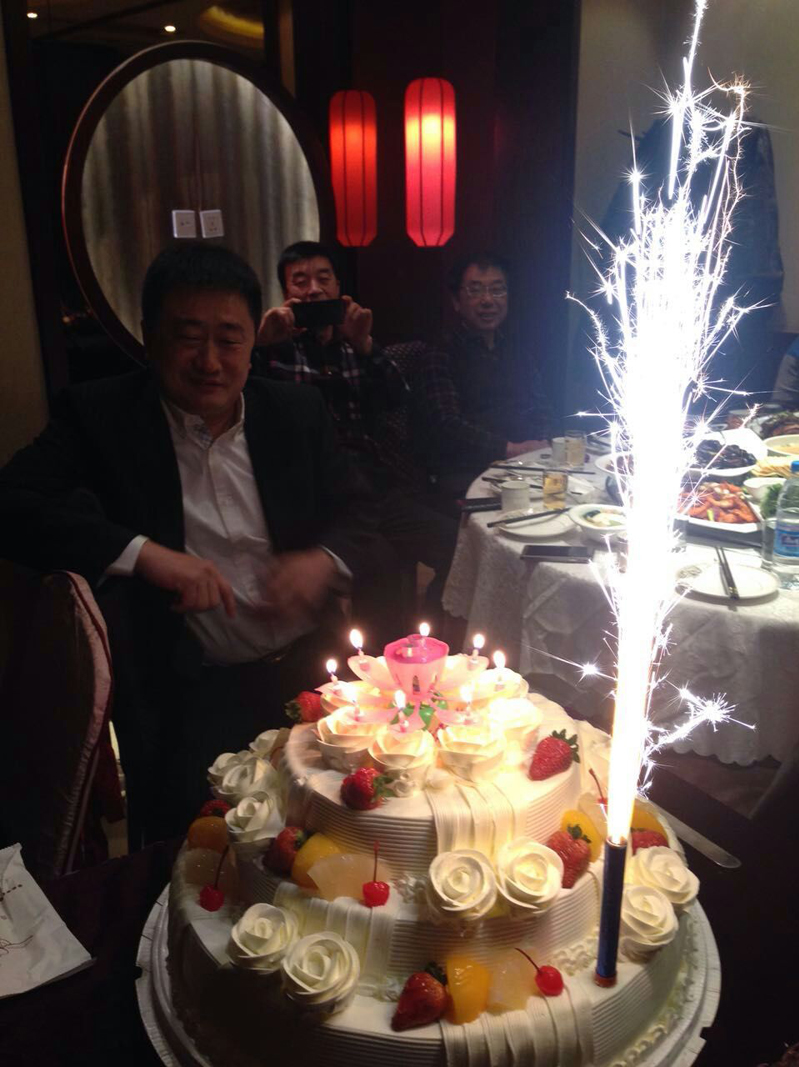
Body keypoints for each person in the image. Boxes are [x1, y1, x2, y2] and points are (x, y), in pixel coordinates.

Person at [0, 243, 376, 844]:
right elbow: (12, 503)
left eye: (229, 339)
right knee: (193, 858)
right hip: (182, 694)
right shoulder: (102, 415)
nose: (210, 361)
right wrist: (144, 554)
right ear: (149, 335)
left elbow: (363, 513)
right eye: (188, 337)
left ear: (254, 340)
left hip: (310, 680)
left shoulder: (295, 410)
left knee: (326, 847)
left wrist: (322, 561)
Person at [253, 240, 458, 641]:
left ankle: (433, 644)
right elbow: (246, 406)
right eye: (300, 281)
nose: (313, 289)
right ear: (285, 293)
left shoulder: (352, 344)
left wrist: (365, 344)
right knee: (381, 566)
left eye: (323, 278)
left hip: (376, 487)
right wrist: (260, 345)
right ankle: (377, 665)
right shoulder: (274, 350)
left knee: (458, 546)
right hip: (320, 496)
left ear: (338, 288)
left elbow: (398, 399)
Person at [412, 251, 553, 503]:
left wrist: (541, 443)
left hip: (525, 469)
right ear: (456, 301)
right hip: (467, 475)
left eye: (497, 290)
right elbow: (446, 426)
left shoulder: (517, 350)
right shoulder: (440, 352)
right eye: (475, 291)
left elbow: (540, 407)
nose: (487, 300)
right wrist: (510, 449)